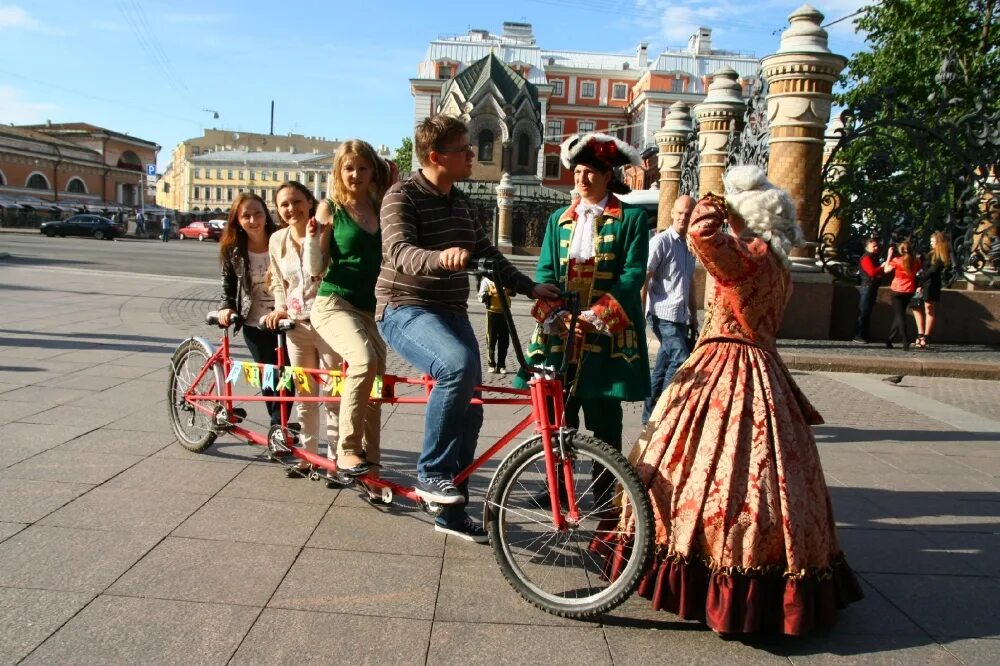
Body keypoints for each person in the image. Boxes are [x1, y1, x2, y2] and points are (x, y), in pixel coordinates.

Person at [607, 166, 863, 636]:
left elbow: (701, 234)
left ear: (746, 216)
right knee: (771, 472)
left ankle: (703, 573)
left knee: (707, 467)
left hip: (725, 365)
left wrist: (717, 198)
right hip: (764, 368)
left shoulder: (748, 254)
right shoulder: (782, 267)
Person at [376, 115, 559, 542]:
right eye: (464, 149)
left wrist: (532, 287)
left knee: (471, 410)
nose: (472, 154)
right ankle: (431, 474)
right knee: (456, 368)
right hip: (404, 308)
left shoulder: (460, 202)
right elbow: (399, 251)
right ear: (437, 156)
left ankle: (450, 513)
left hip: (450, 313)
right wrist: (440, 258)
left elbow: (489, 255)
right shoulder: (400, 196)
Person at [520, 132, 650, 511]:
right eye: (578, 171)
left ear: (609, 175)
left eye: (591, 171)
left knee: (605, 420)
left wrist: (596, 317)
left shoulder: (631, 219)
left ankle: (605, 494)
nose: (582, 178)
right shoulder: (559, 220)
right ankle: (558, 489)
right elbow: (546, 271)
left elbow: (631, 277)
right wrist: (558, 316)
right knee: (557, 416)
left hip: (605, 338)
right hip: (559, 337)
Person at [306, 140, 392, 478]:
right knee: (363, 360)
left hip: (369, 309)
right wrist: (314, 238)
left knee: (376, 384)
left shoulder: (379, 205)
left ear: (372, 171)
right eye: (349, 168)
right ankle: (347, 450)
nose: (355, 174)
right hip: (334, 302)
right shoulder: (331, 209)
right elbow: (317, 267)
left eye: (362, 167)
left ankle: (371, 465)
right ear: (340, 172)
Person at [264, 181, 342, 477]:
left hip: (328, 322)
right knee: (306, 395)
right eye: (284, 204)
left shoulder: (324, 230)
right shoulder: (277, 240)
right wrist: (280, 307)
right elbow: (278, 281)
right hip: (296, 326)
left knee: (333, 395)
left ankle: (334, 462)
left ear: (309, 202)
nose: (290, 209)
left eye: (296, 201)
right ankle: (308, 457)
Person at [217, 193, 284, 427]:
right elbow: (228, 285)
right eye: (246, 216)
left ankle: (279, 423)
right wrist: (227, 307)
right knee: (268, 375)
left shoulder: (281, 240)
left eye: (258, 213)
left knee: (289, 375)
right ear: (237, 220)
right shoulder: (233, 250)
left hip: (284, 318)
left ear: (266, 215)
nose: (253, 220)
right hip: (253, 322)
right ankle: (278, 425)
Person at [641, 194, 696, 424]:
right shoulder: (661, 242)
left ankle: (649, 417)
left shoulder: (690, 246)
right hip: (662, 314)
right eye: (680, 213)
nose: (683, 217)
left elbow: (690, 283)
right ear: (672, 213)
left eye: (688, 214)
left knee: (662, 369)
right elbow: (645, 278)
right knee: (682, 359)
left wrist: (693, 316)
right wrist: (639, 315)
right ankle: (663, 412)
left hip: (680, 317)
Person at [912, 231, 951, 348]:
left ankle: (926, 337)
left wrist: (921, 282)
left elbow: (932, 271)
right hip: (926, 283)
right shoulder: (931, 253)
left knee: (928, 308)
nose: (931, 243)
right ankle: (921, 334)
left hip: (930, 284)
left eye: (932, 241)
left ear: (938, 242)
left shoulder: (939, 255)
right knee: (917, 306)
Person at [881, 239, 921, 351]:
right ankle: (889, 339)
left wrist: (889, 256)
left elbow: (886, 270)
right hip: (909, 289)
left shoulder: (897, 260)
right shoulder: (916, 261)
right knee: (900, 314)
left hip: (897, 289)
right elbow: (917, 271)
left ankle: (905, 340)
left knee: (899, 315)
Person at [477, 275, 512, 374]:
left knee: (504, 341)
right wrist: (491, 292)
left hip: (505, 313)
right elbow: (481, 298)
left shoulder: (505, 279)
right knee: (491, 340)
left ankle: (502, 365)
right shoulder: (486, 282)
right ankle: (491, 364)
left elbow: (513, 292)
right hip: (492, 313)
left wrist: (509, 291)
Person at [853, 237, 884, 343]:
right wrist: (882, 267)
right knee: (864, 311)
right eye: (873, 246)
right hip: (867, 287)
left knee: (867, 312)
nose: (876, 248)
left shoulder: (872, 258)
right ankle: (859, 335)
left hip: (871, 286)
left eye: (877, 246)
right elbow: (872, 272)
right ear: (867, 247)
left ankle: (864, 334)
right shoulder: (866, 258)